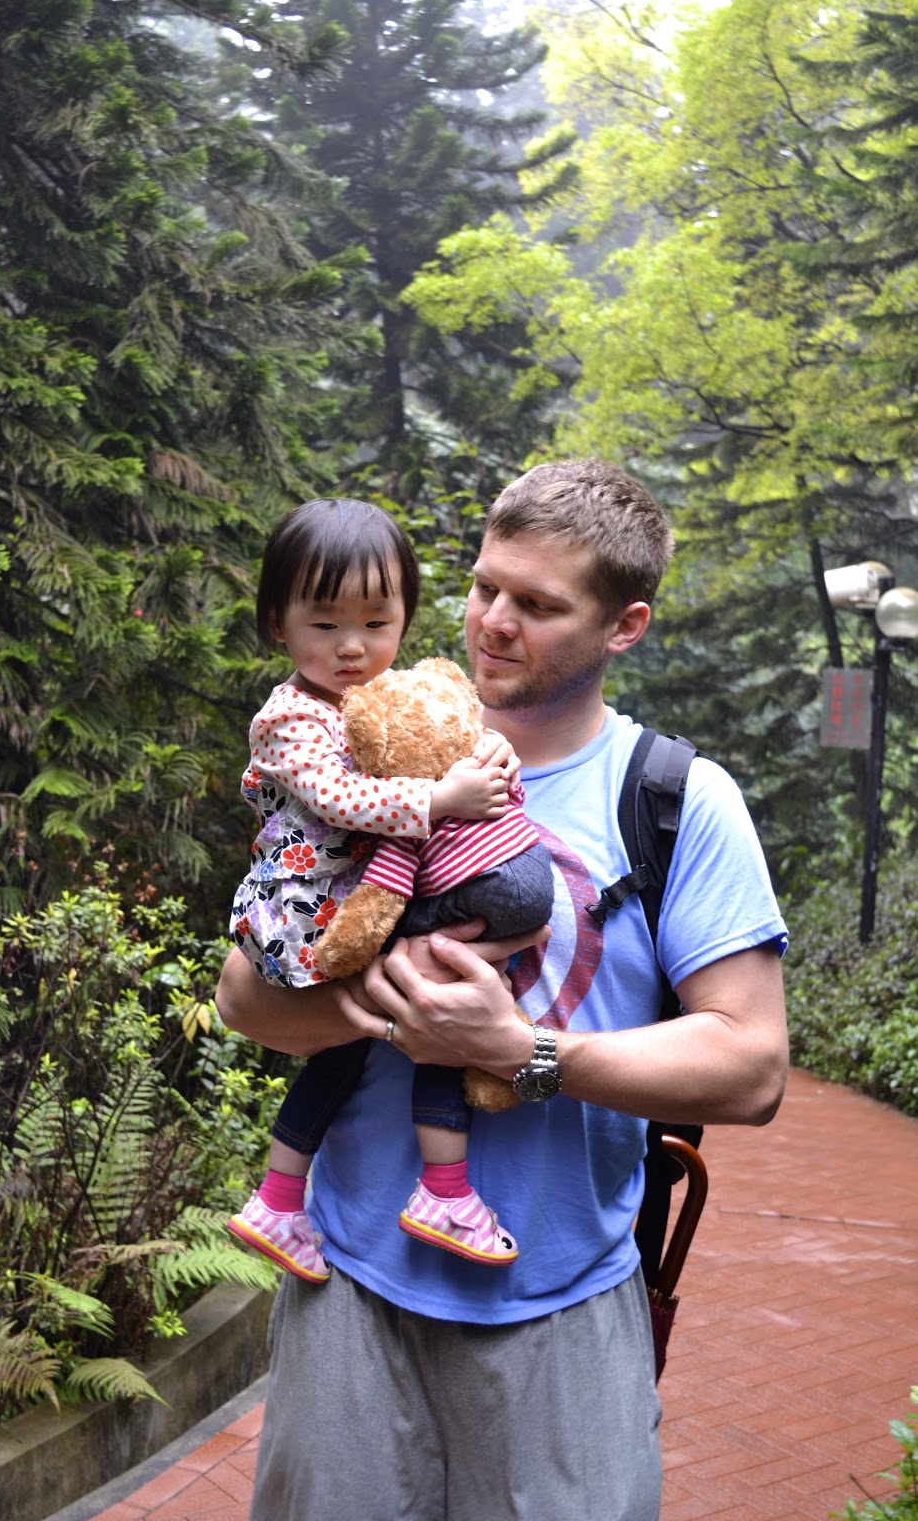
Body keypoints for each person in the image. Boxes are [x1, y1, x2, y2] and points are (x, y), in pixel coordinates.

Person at [216, 460, 789, 1521]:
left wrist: (517, 1050)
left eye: (537, 604)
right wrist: (386, 1006)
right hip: (346, 1290)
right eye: (484, 586)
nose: (491, 621)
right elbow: (243, 999)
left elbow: (750, 1067)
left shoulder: (674, 800)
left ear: (623, 626)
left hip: (561, 1307)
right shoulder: (362, 751)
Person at [226, 497, 548, 1287]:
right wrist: (440, 800)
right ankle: (444, 1191)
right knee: (437, 1010)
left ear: (404, 616)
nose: (351, 646)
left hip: (367, 901)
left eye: (376, 622)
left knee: (355, 1054)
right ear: (276, 623)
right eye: (324, 623)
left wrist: (494, 758)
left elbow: (444, 734)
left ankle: (278, 1201)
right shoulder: (290, 718)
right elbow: (339, 798)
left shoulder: (384, 692)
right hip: (313, 912)